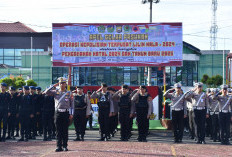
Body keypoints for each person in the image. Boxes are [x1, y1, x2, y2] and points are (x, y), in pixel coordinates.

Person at [44, 77, 73, 152]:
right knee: (58, 130)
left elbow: (72, 104)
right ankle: (58, 146)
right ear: (59, 84)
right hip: (58, 113)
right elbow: (46, 92)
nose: (62, 85)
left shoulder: (69, 93)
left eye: (63, 83)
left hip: (66, 113)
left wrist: (71, 114)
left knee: (65, 130)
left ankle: (65, 146)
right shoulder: (55, 92)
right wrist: (53, 85)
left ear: (65, 84)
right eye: (60, 83)